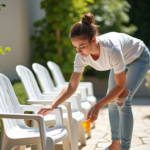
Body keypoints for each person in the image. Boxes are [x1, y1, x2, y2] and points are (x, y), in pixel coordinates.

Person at [37, 12, 150, 150]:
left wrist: (98, 105)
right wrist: (53, 105)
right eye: (75, 47)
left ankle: (124, 148)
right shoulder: (81, 57)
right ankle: (115, 144)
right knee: (112, 100)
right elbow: (72, 86)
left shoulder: (112, 50)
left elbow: (121, 86)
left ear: (94, 41)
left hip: (138, 56)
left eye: (82, 46)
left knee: (123, 100)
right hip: (122, 61)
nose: (78, 51)